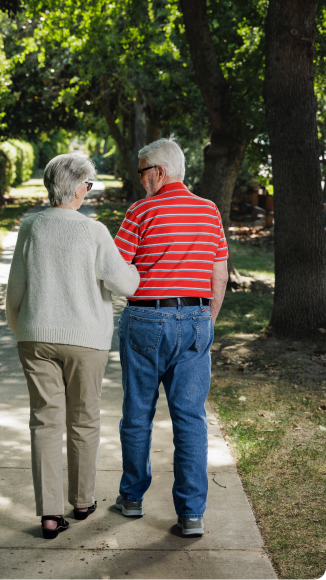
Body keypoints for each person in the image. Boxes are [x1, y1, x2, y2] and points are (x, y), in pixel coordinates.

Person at [5, 153, 140, 539]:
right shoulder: (94, 232)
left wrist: (23, 329)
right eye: (89, 184)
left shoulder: (30, 227)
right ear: (79, 187)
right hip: (86, 341)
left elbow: (15, 288)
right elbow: (127, 285)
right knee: (84, 420)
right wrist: (133, 267)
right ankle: (81, 501)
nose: (88, 190)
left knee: (44, 422)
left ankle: (49, 515)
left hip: (35, 337)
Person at [114, 135, 228, 536]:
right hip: (196, 319)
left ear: (159, 172)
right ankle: (191, 514)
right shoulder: (209, 210)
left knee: (138, 414)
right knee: (191, 420)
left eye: (143, 172)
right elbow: (219, 274)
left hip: (146, 320)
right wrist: (205, 319)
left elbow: (117, 269)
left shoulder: (140, 211)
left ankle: (131, 498)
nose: (141, 179)